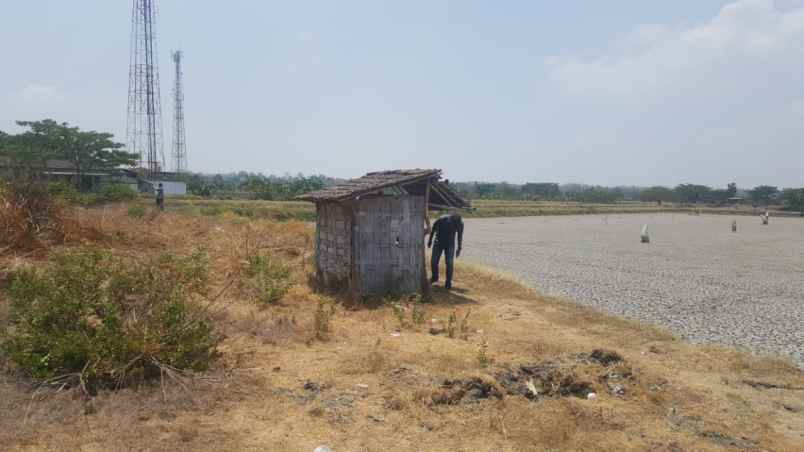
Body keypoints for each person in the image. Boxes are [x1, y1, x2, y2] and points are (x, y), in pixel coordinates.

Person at [428, 210, 464, 290]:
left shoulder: (460, 223)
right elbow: (433, 229)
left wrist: (459, 248)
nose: (457, 225)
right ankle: (435, 277)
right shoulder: (442, 219)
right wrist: (430, 241)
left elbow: (459, 236)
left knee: (449, 263)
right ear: (451, 218)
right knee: (434, 261)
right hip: (438, 242)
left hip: (450, 244)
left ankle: (448, 282)